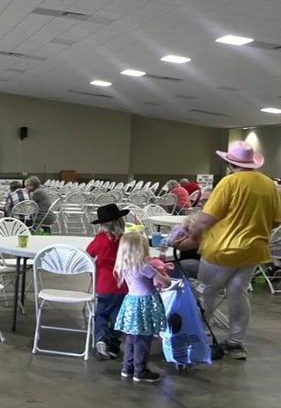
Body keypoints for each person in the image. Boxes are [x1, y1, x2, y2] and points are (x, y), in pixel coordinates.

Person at [174, 141, 281, 360]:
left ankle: (200, 335)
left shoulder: (229, 182)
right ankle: (235, 343)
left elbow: (207, 218)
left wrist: (189, 228)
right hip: (253, 251)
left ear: (230, 163)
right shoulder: (269, 184)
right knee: (238, 293)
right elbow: (276, 220)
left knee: (207, 292)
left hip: (222, 250)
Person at [114, 232, 169, 383]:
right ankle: (140, 370)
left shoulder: (125, 265)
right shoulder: (145, 268)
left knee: (131, 337)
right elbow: (165, 283)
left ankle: (127, 367)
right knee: (143, 339)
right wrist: (163, 273)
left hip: (131, 302)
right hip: (145, 304)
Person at [86, 204, 129, 360]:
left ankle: (101, 339)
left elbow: (89, 253)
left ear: (102, 225)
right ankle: (113, 344)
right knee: (119, 316)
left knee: (102, 314)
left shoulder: (100, 239)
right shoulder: (126, 240)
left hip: (104, 284)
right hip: (123, 284)